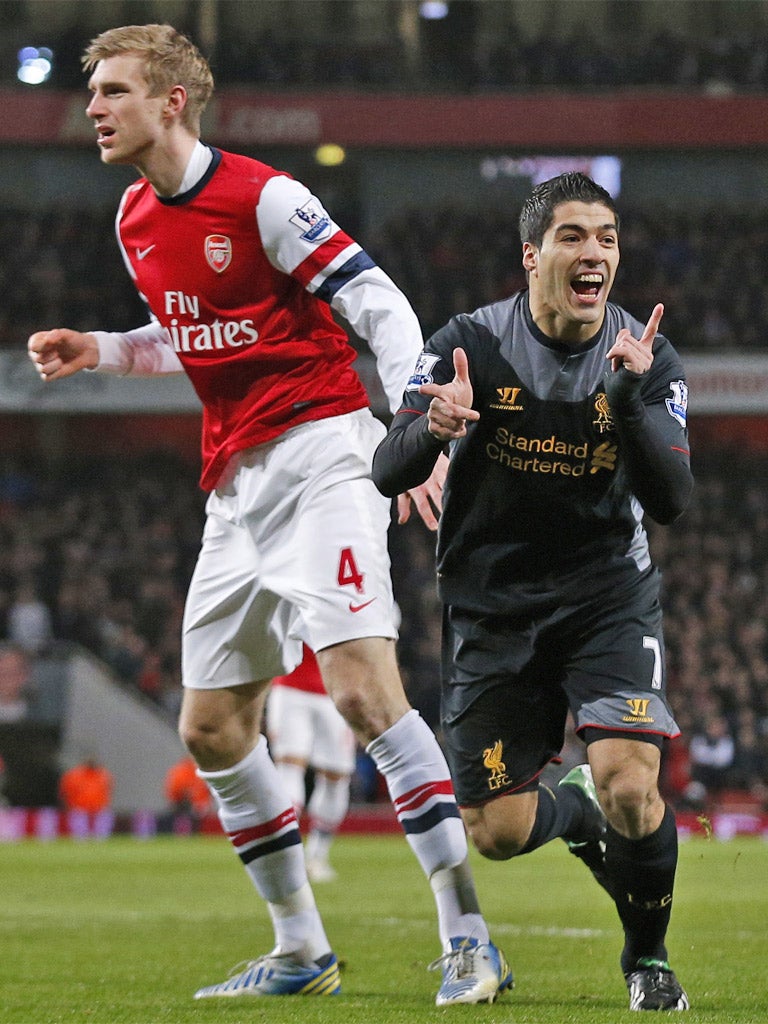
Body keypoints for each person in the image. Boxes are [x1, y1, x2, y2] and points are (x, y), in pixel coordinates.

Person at [27, 23, 510, 1006]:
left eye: (114, 89)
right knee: (208, 726)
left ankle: (470, 937)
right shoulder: (131, 221)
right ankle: (301, 947)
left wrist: (409, 408)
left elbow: (378, 304)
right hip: (236, 484)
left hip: (326, 449)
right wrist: (103, 351)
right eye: (94, 92)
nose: (95, 107)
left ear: (171, 101)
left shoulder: (266, 198)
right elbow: (190, 341)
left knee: (364, 693)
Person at [372, 172, 694, 1012]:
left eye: (608, 239)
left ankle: (648, 959)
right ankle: (575, 815)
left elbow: (671, 500)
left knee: (632, 779)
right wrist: (432, 429)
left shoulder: (643, 352)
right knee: (500, 833)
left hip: (605, 599)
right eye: (574, 236)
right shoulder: (467, 343)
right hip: (492, 606)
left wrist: (626, 400)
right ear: (532, 256)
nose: (595, 253)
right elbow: (387, 467)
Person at [266, 643, 356, 883]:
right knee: (289, 769)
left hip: (335, 692)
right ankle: (287, 856)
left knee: (337, 779)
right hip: (289, 688)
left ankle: (316, 856)